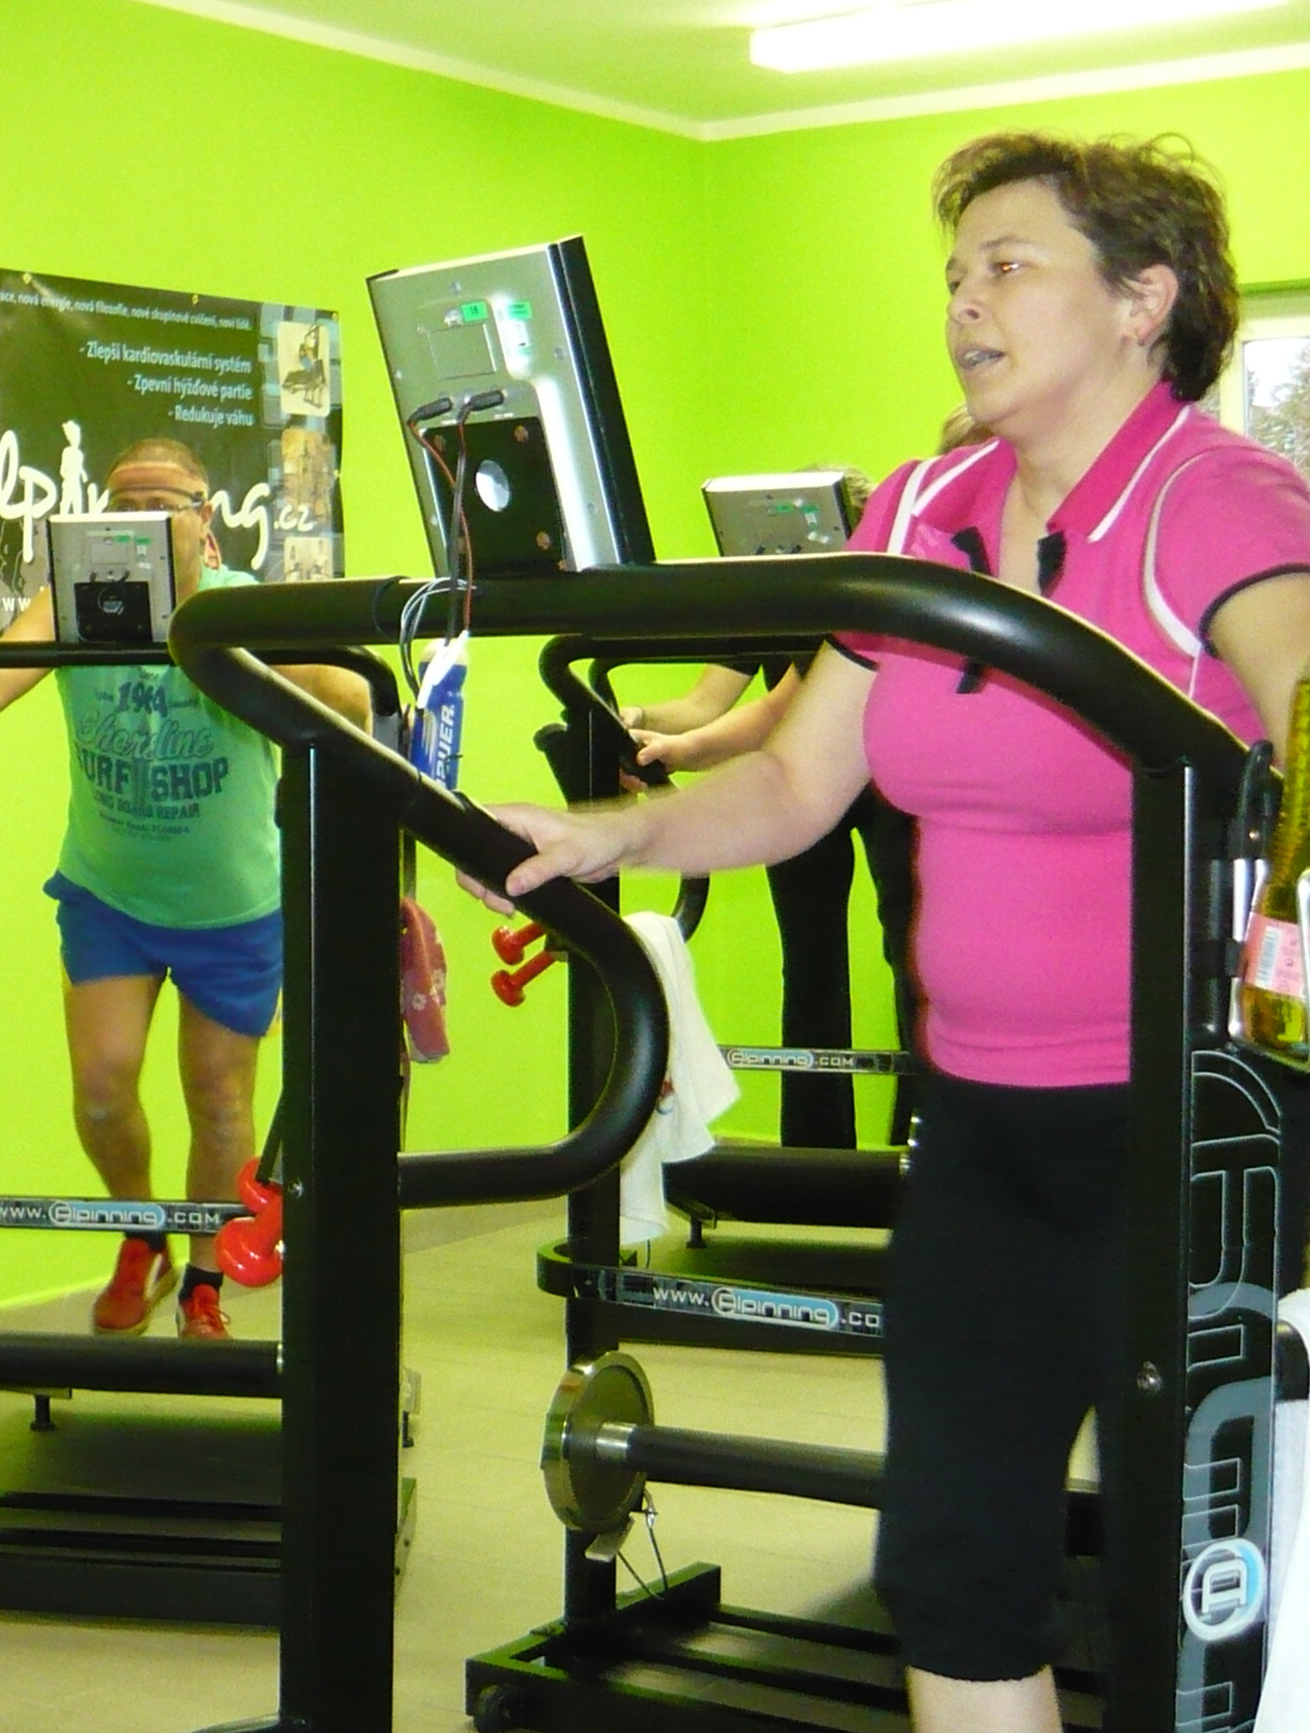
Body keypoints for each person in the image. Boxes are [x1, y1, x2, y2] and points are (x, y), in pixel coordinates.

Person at [464, 133, 1310, 1732]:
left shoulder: (1215, 501)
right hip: (979, 1121)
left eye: (1008, 266)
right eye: (953, 274)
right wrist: (613, 832)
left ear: (1143, 301)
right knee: (954, 1556)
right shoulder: (922, 507)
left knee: (1203, 1580)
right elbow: (795, 782)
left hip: (1191, 1133)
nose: (963, 303)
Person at [0, 440, 368, 1342]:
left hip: (232, 907)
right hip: (111, 894)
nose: (142, 525)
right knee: (103, 1091)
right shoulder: (75, 605)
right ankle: (143, 1236)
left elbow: (347, 697)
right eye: (123, 509)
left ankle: (203, 1284)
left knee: (218, 1100)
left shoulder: (239, 608)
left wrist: (212, 626)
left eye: (164, 508)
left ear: (205, 520)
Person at [623, 470, 921, 1148]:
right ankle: (815, 1151)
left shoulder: (866, 607)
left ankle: (920, 1139)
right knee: (810, 960)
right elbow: (704, 705)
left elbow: (777, 708)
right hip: (800, 780)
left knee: (911, 953)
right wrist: (639, 720)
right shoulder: (775, 602)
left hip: (886, 777)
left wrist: (683, 749)